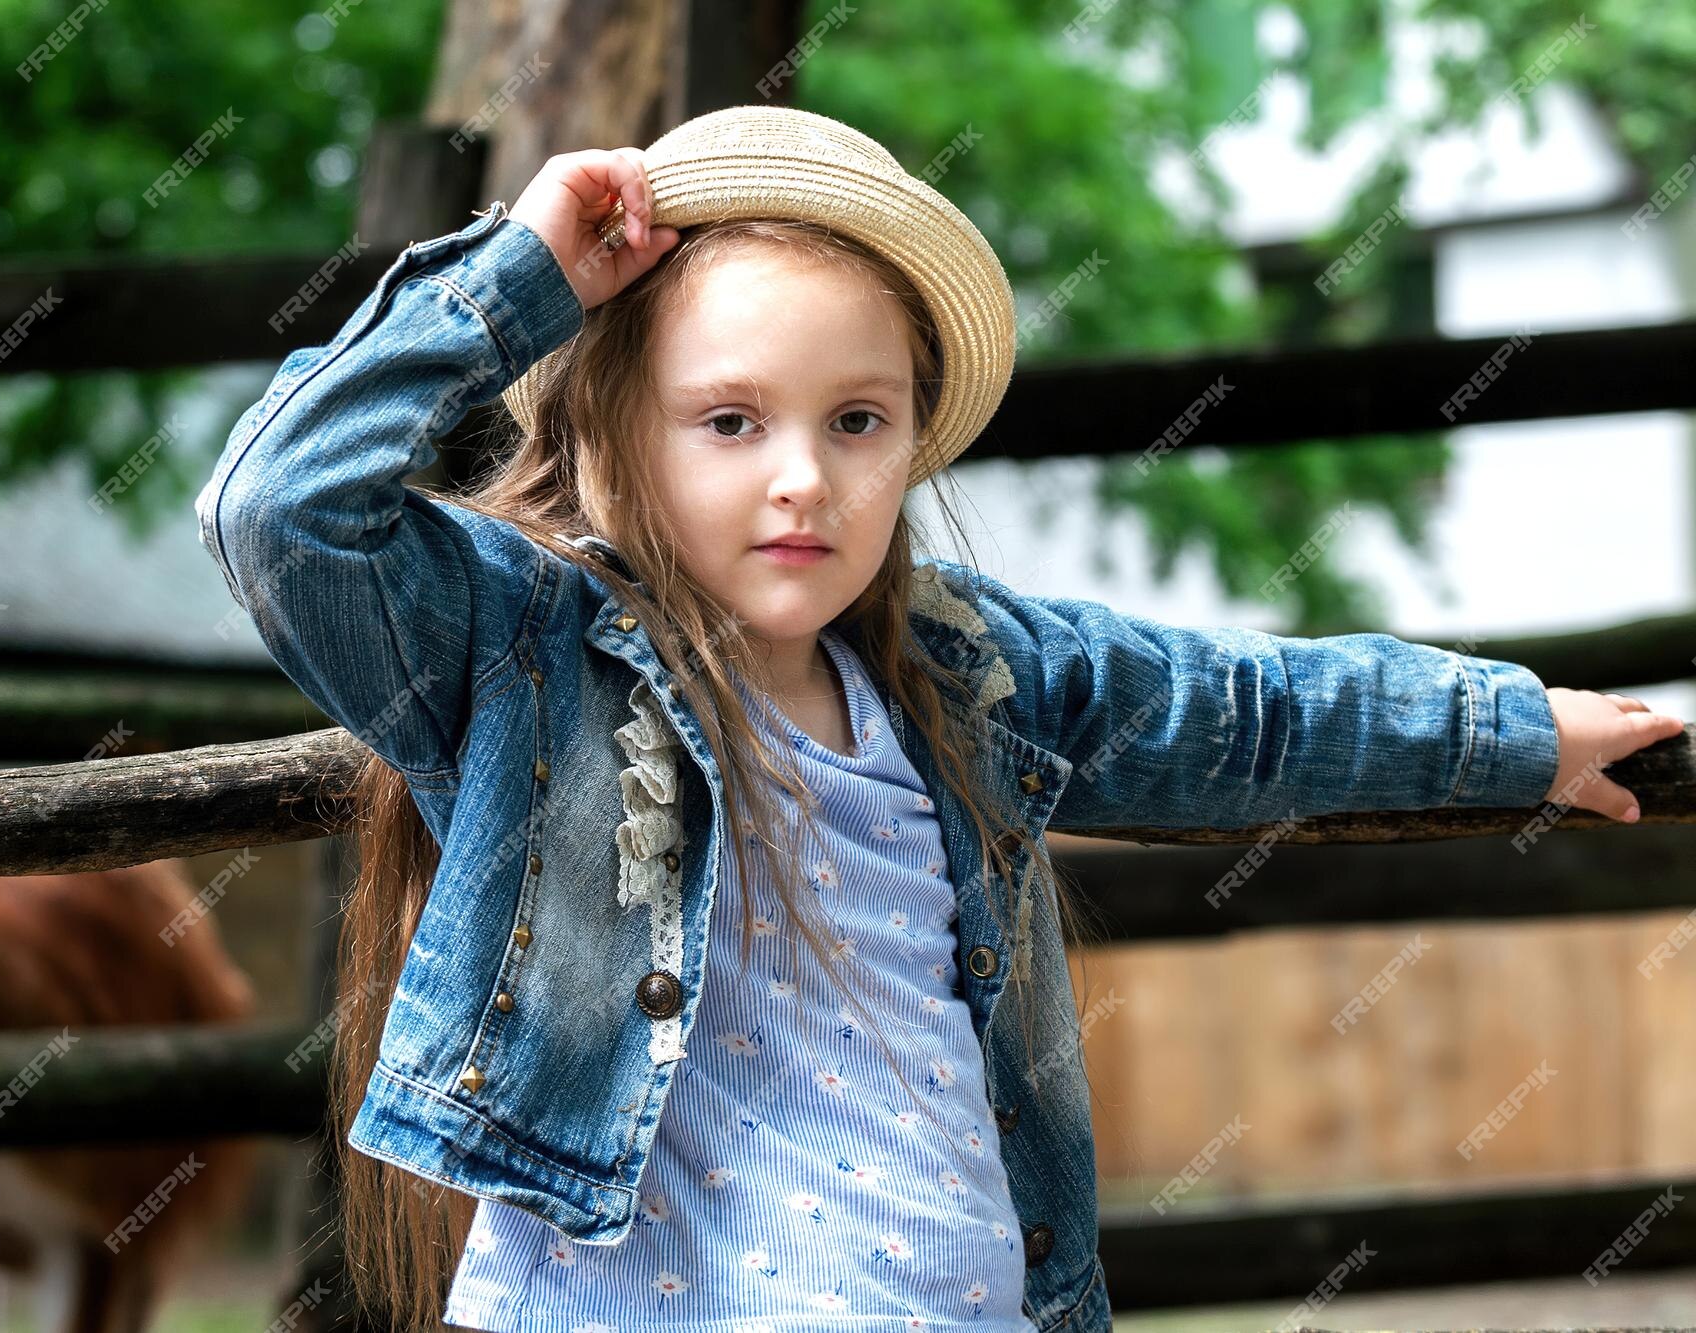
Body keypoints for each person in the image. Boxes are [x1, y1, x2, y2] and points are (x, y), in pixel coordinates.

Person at [194, 104, 1683, 1332]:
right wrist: (521, 276)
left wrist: (1513, 731)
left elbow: (1244, 710)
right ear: (605, 432)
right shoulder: (524, 653)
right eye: (731, 421)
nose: (804, 478)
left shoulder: (965, 675)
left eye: (858, 421)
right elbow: (278, 506)